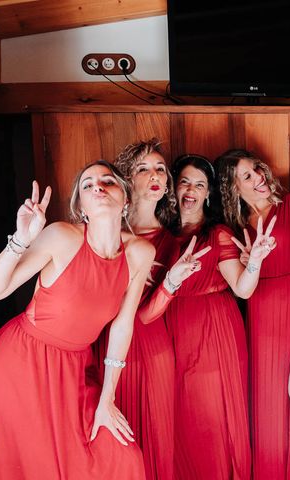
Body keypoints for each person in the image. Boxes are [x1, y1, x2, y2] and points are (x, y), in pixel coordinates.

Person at [0, 161, 154, 479]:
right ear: (81, 207)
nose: (98, 187)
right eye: (87, 185)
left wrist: (107, 400)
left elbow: (122, 326)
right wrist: (20, 240)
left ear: (126, 199)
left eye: (108, 181)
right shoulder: (61, 237)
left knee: (121, 458)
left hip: (75, 369)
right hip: (21, 365)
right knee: (36, 467)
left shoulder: (139, 252)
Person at [216, 149, 290, 480]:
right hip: (265, 311)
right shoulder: (236, 230)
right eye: (247, 176)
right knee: (270, 406)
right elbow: (242, 286)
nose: (258, 178)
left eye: (257, 169)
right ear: (233, 189)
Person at [92, 138, 202, 479]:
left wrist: (170, 284)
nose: (155, 174)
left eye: (160, 168)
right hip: (103, 344)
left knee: (151, 439)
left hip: (152, 350)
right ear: (127, 178)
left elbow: (145, 316)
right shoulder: (104, 231)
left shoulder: (170, 242)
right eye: (143, 168)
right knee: (110, 440)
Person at [161, 154, 275, 479]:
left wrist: (254, 263)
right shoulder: (162, 235)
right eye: (185, 181)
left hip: (212, 332)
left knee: (212, 418)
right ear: (174, 187)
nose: (191, 190)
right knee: (181, 420)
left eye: (199, 184)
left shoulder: (218, 233)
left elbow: (243, 288)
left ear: (208, 193)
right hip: (171, 332)